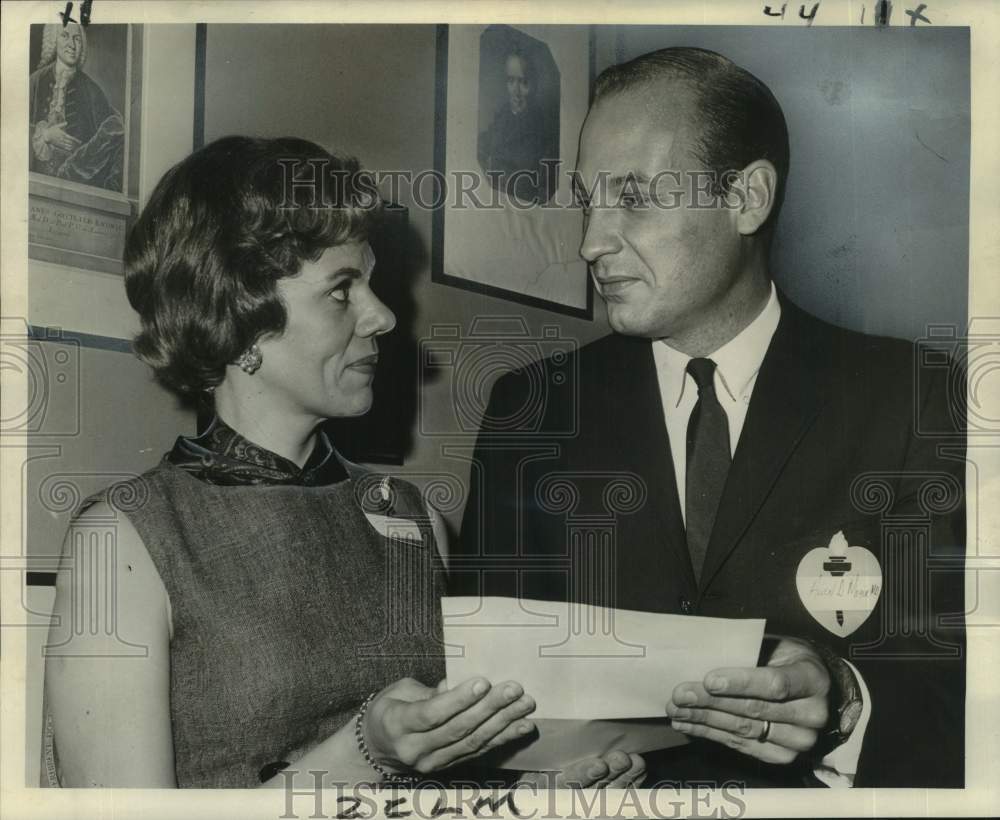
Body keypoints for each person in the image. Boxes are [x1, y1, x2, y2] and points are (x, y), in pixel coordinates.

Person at [42, 136, 646, 790]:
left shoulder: (416, 519)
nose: (382, 316)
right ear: (237, 319)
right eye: (341, 290)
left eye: (373, 284)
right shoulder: (125, 540)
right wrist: (365, 751)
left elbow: (447, 787)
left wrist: (526, 801)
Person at [456, 47, 966, 788]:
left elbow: (961, 687)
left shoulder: (910, 396)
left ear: (748, 197)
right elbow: (478, 711)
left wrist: (846, 703)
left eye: (632, 195)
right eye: (588, 199)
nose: (590, 242)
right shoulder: (529, 411)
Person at [29, 22, 125, 191]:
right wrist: (46, 135)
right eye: (65, 36)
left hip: (75, 189)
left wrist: (81, 159)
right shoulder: (35, 81)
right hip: (35, 183)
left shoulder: (93, 91)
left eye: (77, 39)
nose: (72, 45)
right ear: (54, 41)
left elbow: (111, 140)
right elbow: (10, 128)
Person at [478, 48, 558, 204]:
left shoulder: (542, 131)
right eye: (510, 81)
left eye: (523, 82)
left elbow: (542, 193)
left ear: (534, 85)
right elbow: (482, 147)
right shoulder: (502, 117)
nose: (515, 91)